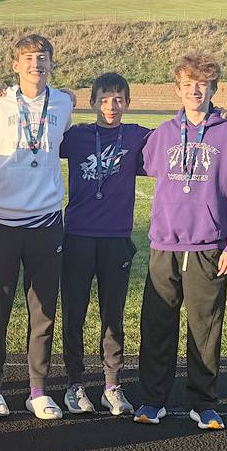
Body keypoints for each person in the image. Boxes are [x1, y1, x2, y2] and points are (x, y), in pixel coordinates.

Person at [133, 52, 227, 430]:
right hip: (165, 245)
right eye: (187, 84)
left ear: (214, 88)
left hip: (207, 246)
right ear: (178, 89)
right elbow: (135, 158)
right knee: (157, 326)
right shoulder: (164, 133)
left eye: (202, 84)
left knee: (205, 329)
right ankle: (153, 400)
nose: (195, 91)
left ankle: (203, 403)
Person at [0, 34, 73, 420]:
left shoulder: (64, 103)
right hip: (1, 222)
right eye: (29, 58)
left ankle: (37, 390)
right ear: (15, 65)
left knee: (43, 310)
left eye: (43, 57)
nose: (37, 63)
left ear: (51, 62)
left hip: (46, 222)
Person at [59, 72, 148, 416]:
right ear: (93, 102)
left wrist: (216, 114)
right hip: (78, 237)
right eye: (105, 99)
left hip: (116, 239)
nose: (111, 106)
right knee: (74, 314)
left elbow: (176, 137)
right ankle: (74, 383)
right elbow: (38, 137)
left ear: (127, 102)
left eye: (118, 99)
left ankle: (112, 384)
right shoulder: (77, 137)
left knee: (113, 315)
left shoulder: (137, 135)